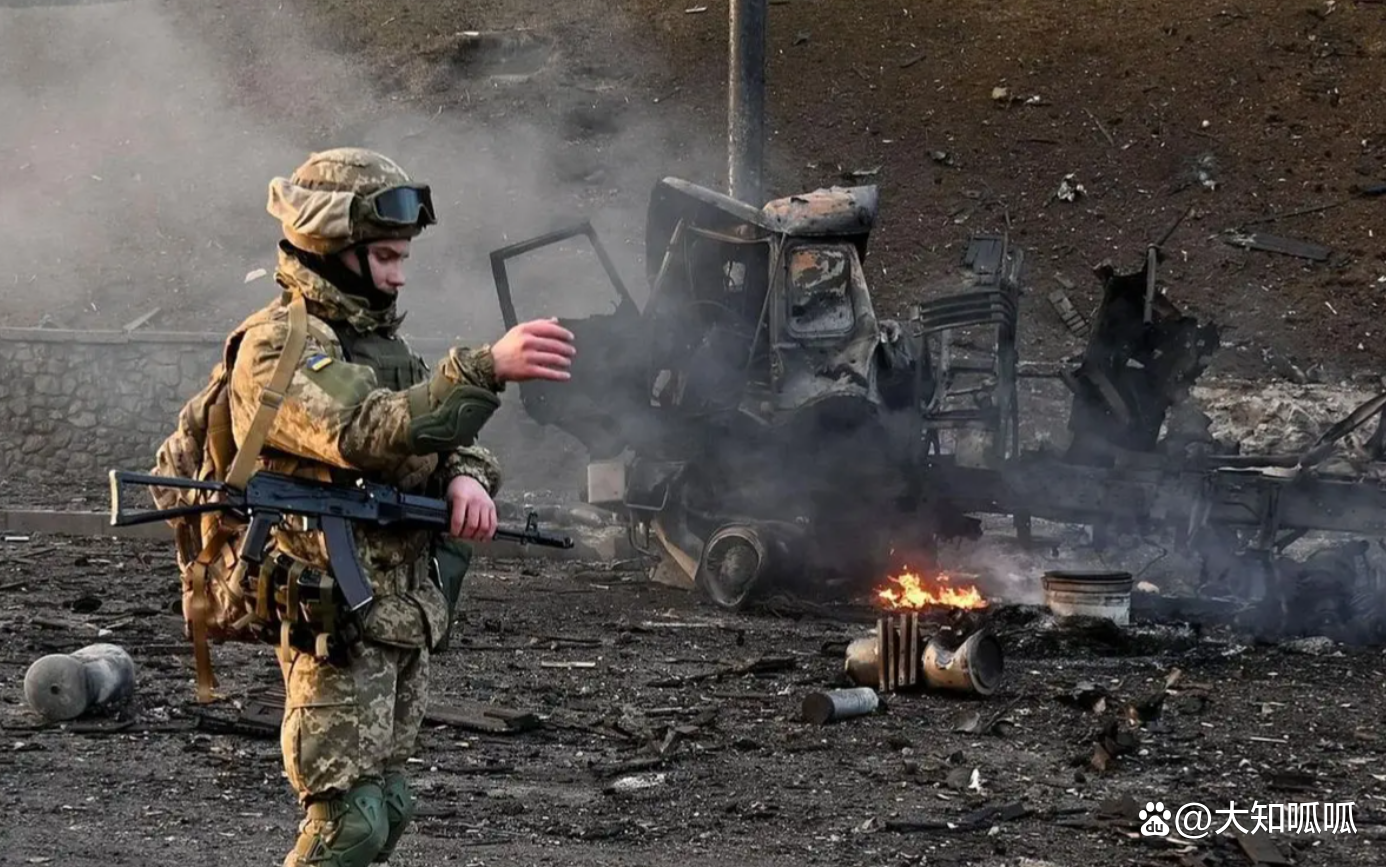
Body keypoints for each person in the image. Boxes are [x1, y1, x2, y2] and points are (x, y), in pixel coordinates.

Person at [230, 147, 575, 866]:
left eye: (403, 256)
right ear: (331, 245)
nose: (398, 274)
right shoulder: (281, 344)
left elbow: (445, 438)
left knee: (386, 810)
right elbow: (362, 431)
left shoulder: (377, 343)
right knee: (347, 824)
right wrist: (484, 367)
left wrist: (466, 478)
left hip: (396, 612)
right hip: (333, 618)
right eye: (385, 256)